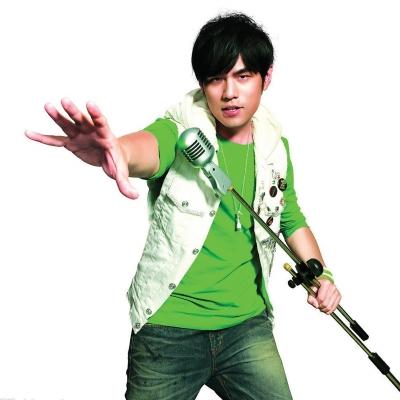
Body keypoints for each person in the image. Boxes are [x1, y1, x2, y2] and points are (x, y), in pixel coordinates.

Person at [25, 12, 342, 400]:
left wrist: (322, 276)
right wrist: (117, 151)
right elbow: (147, 148)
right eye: (215, 79)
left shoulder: (275, 148)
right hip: (168, 331)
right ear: (202, 84)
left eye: (243, 76)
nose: (229, 92)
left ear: (266, 77)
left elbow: (289, 215)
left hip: (247, 326)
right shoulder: (182, 131)